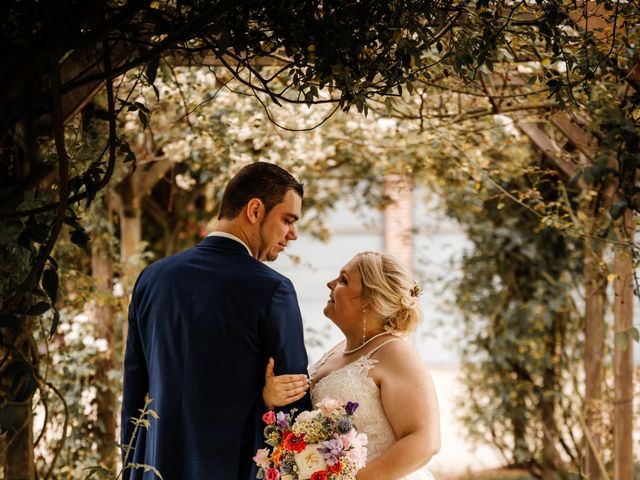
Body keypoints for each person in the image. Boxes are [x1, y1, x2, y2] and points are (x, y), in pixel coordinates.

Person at [121, 162, 312, 480]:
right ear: (254, 210)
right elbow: (294, 406)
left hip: (150, 469)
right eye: (287, 220)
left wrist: (130, 470)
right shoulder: (272, 289)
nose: (293, 234)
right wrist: (264, 398)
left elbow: (134, 395)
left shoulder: (152, 279)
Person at [265, 251, 440, 480]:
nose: (330, 283)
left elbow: (425, 441)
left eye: (344, 280)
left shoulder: (395, 352)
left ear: (371, 301)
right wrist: (270, 397)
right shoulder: (339, 350)